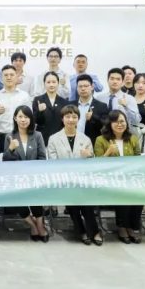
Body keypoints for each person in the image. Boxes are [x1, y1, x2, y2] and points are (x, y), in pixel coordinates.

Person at [47, 105, 101, 246]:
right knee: (73, 202)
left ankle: (94, 231)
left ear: (78, 119)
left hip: (82, 180)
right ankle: (82, 230)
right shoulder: (53, 139)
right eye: (68, 117)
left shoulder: (85, 139)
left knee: (86, 202)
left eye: (74, 117)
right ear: (62, 119)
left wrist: (89, 156)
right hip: (63, 180)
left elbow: (92, 162)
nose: (71, 120)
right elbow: (52, 162)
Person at [94, 110, 142, 244]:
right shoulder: (100, 140)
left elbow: (139, 159)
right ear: (109, 124)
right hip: (109, 180)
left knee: (140, 193)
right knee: (123, 192)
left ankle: (132, 227)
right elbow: (96, 165)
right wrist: (108, 153)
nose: (119, 124)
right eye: (115, 121)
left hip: (130, 178)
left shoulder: (133, 138)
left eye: (122, 121)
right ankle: (122, 227)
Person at [2, 105, 48, 242]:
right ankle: (32, 224)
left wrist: (33, 173)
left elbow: (42, 158)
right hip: (16, 178)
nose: (23, 120)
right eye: (20, 116)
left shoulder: (37, 135)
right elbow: (5, 161)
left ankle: (40, 225)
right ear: (15, 118)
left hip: (34, 177)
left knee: (36, 196)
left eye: (26, 117)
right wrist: (11, 149)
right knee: (17, 199)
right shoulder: (9, 136)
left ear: (31, 119)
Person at [0, 65, 32, 153]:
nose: (9, 77)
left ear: (16, 77)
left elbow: (30, 117)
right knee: (1, 160)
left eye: (12, 75)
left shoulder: (24, 96)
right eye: (6, 75)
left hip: (21, 135)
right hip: (1, 136)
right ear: (1, 77)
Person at [96, 68, 140, 135]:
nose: (115, 81)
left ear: (123, 82)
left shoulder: (129, 99)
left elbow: (136, 121)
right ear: (107, 80)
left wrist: (126, 107)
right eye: (112, 79)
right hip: (103, 135)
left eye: (118, 79)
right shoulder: (99, 98)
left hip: (123, 136)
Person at [69, 74, 109, 144]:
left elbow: (106, 126)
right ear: (77, 88)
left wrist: (93, 117)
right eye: (80, 86)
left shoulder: (101, 106)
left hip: (92, 143)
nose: (83, 89)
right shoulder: (70, 105)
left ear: (92, 87)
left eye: (86, 86)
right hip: (72, 143)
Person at [32, 71, 69, 145]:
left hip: (60, 140)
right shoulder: (38, 100)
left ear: (58, 83)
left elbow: (65, 123)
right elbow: (35, 121)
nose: (51, 85)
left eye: (54, 82)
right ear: (44, 84)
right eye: (48, 82)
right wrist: (40, 111)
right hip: (42, 139)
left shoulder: (64, 102)